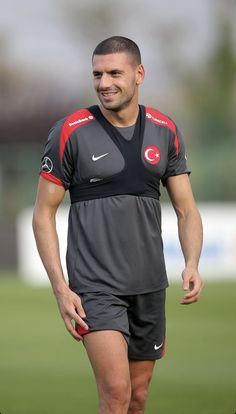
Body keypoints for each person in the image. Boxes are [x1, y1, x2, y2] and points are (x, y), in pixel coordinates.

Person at [32, 36, 204, 414]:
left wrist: (191, 262)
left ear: (139, 74)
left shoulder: (165, 129)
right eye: (97, 74)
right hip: (95, 288)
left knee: (137, 397)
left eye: (114, 73)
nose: (104, 83)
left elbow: (186, 209)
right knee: (115, 392)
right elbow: (42, 214)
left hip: (149, 285)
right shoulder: (70, 131)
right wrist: (61, 289)